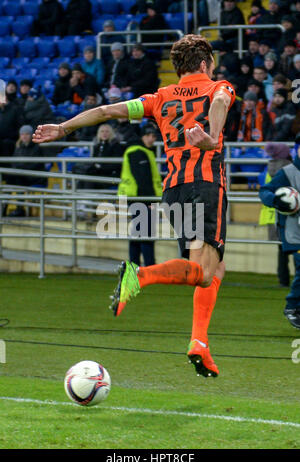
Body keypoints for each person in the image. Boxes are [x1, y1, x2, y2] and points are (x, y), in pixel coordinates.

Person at [32, 34, 236, 379]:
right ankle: (140, 274)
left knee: (214, 270)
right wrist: (213, 137)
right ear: (205, 63)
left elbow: (106, 110)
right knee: (202, 272)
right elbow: (218, 101)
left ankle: (199, 343)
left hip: (173, 192)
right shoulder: (220, 85)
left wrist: (63, 128)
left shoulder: (160, 97)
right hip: (205, 187)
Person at [259, 134, 300, 329]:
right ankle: (292, 307)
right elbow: (264, 191)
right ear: (297, 149)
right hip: (294, 232)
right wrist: (277, 201)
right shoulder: (287, 173)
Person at [118, 124, 162, 267]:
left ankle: (134, 266)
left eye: (153, 136)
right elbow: (143, 178)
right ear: (142, 136)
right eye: (148, 135)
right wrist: (149, 200)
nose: (151, 139)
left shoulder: (140, 150)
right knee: (146, 234)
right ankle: (149, 267)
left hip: (136, 196)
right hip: (141, 197)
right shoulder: (139, 151)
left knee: (138, 234)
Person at [259, 142, 293, 287]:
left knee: (282, 249)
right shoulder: (288, 169)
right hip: (289, 214)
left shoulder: (268, 168)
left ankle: (283, 280)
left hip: (271, 214)